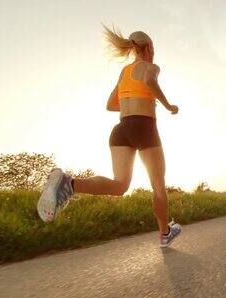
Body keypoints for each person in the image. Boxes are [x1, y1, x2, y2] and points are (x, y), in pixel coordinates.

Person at [37, 24, 181, 248]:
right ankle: (164, 233)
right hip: (144, 127)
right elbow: (150, 82)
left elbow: (110, 104)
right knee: (158, 185)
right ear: (149, 48)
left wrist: (130, 105)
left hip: (121, 130)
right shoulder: (150, 66)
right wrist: (167, 104)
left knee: (120, 185)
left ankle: (70, 183)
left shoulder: (124, 73)